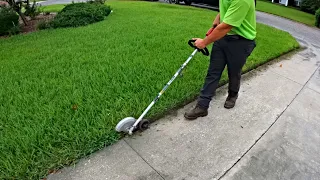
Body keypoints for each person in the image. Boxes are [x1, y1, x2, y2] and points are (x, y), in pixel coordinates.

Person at [184, 0, 257, 120]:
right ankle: (202, 106)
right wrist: (218, 17)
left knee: (234, 72)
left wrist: (204, 42)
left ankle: (232, 95)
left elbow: (227, 26)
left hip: (242, 41)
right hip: (223, 38)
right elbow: (226, 7)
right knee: (213, 72)